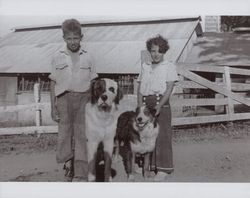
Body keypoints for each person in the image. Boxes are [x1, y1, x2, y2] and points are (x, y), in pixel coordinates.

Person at [49, 18, 98, 182]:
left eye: (75, 38)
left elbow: (93, 83)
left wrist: (93, 105)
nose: (72, 42)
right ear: (64, 38)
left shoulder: (88, 57)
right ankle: (68, 165)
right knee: (64, 135)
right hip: (63, 99)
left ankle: (81, 173)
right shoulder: (57, 56)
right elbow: (53, 82)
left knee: (82, 135)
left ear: (81, 38)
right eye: (69, 38)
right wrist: (53, 107)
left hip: (84, 99)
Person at [137, 35, 179, 181]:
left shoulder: (169, 66)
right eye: (153, 51)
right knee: (146, 135)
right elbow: (140, 87)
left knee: (162, 135)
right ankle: (148, 165)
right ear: (149, 51)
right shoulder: (145, 66)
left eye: (159, 51)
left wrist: (160, 105)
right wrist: (139, 106)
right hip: (146, 105)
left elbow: (169, 88)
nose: (156, 54)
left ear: (164, 52)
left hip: (161, 103)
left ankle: (163, 168)